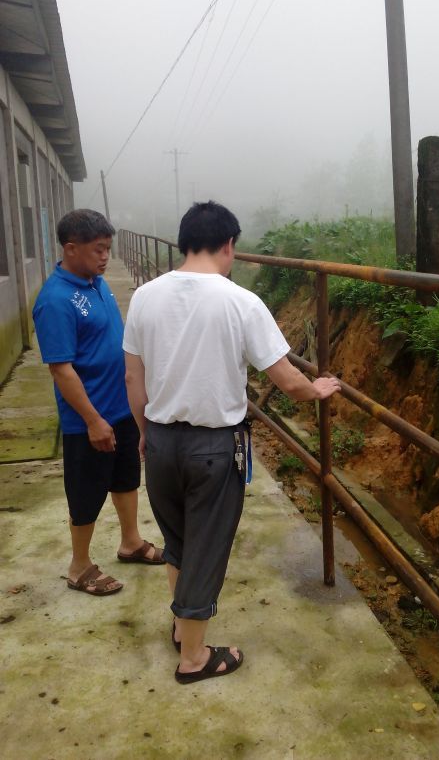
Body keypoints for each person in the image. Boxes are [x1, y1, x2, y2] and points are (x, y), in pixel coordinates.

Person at [123, 200, 340, 684]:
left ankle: (183, 629)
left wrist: (143, 434)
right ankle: (194, 658)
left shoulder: (145, 298)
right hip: (212, 447)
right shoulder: (240, 302)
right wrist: (316, 389)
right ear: (228, 245)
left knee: (178, 540)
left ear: (184, 243)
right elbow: (286, 378)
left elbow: (132, 379)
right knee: (206, 546)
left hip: (159, 441)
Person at [32, 209, 164, 598]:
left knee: (125, 478)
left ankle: (131, 542)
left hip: (120, 408)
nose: (106, 256)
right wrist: (92, 420)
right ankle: (79, 566)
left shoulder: (97, 284)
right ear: (71, 249)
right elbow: (62, 370)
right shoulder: (55, 300)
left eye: (108, 249)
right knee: (86, 492)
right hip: (88, 420)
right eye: (98, 249)